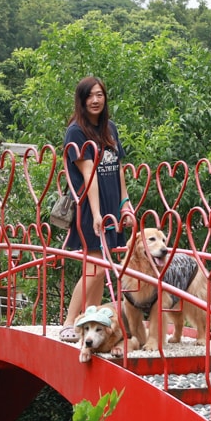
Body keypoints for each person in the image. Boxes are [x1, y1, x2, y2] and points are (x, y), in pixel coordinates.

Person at [58, 76, 134, 342]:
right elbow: (88, 175)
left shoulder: (109, 128)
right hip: (91, 209)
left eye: (99, 94)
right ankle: (70, 321)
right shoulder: (76, 132)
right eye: (89, 96)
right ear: (81, 100)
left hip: (112, 206)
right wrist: (97, 213)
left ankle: (93, 320)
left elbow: (118, 167)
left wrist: (125, 203)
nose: (95, 100)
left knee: (102, 266)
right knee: (96, 267)